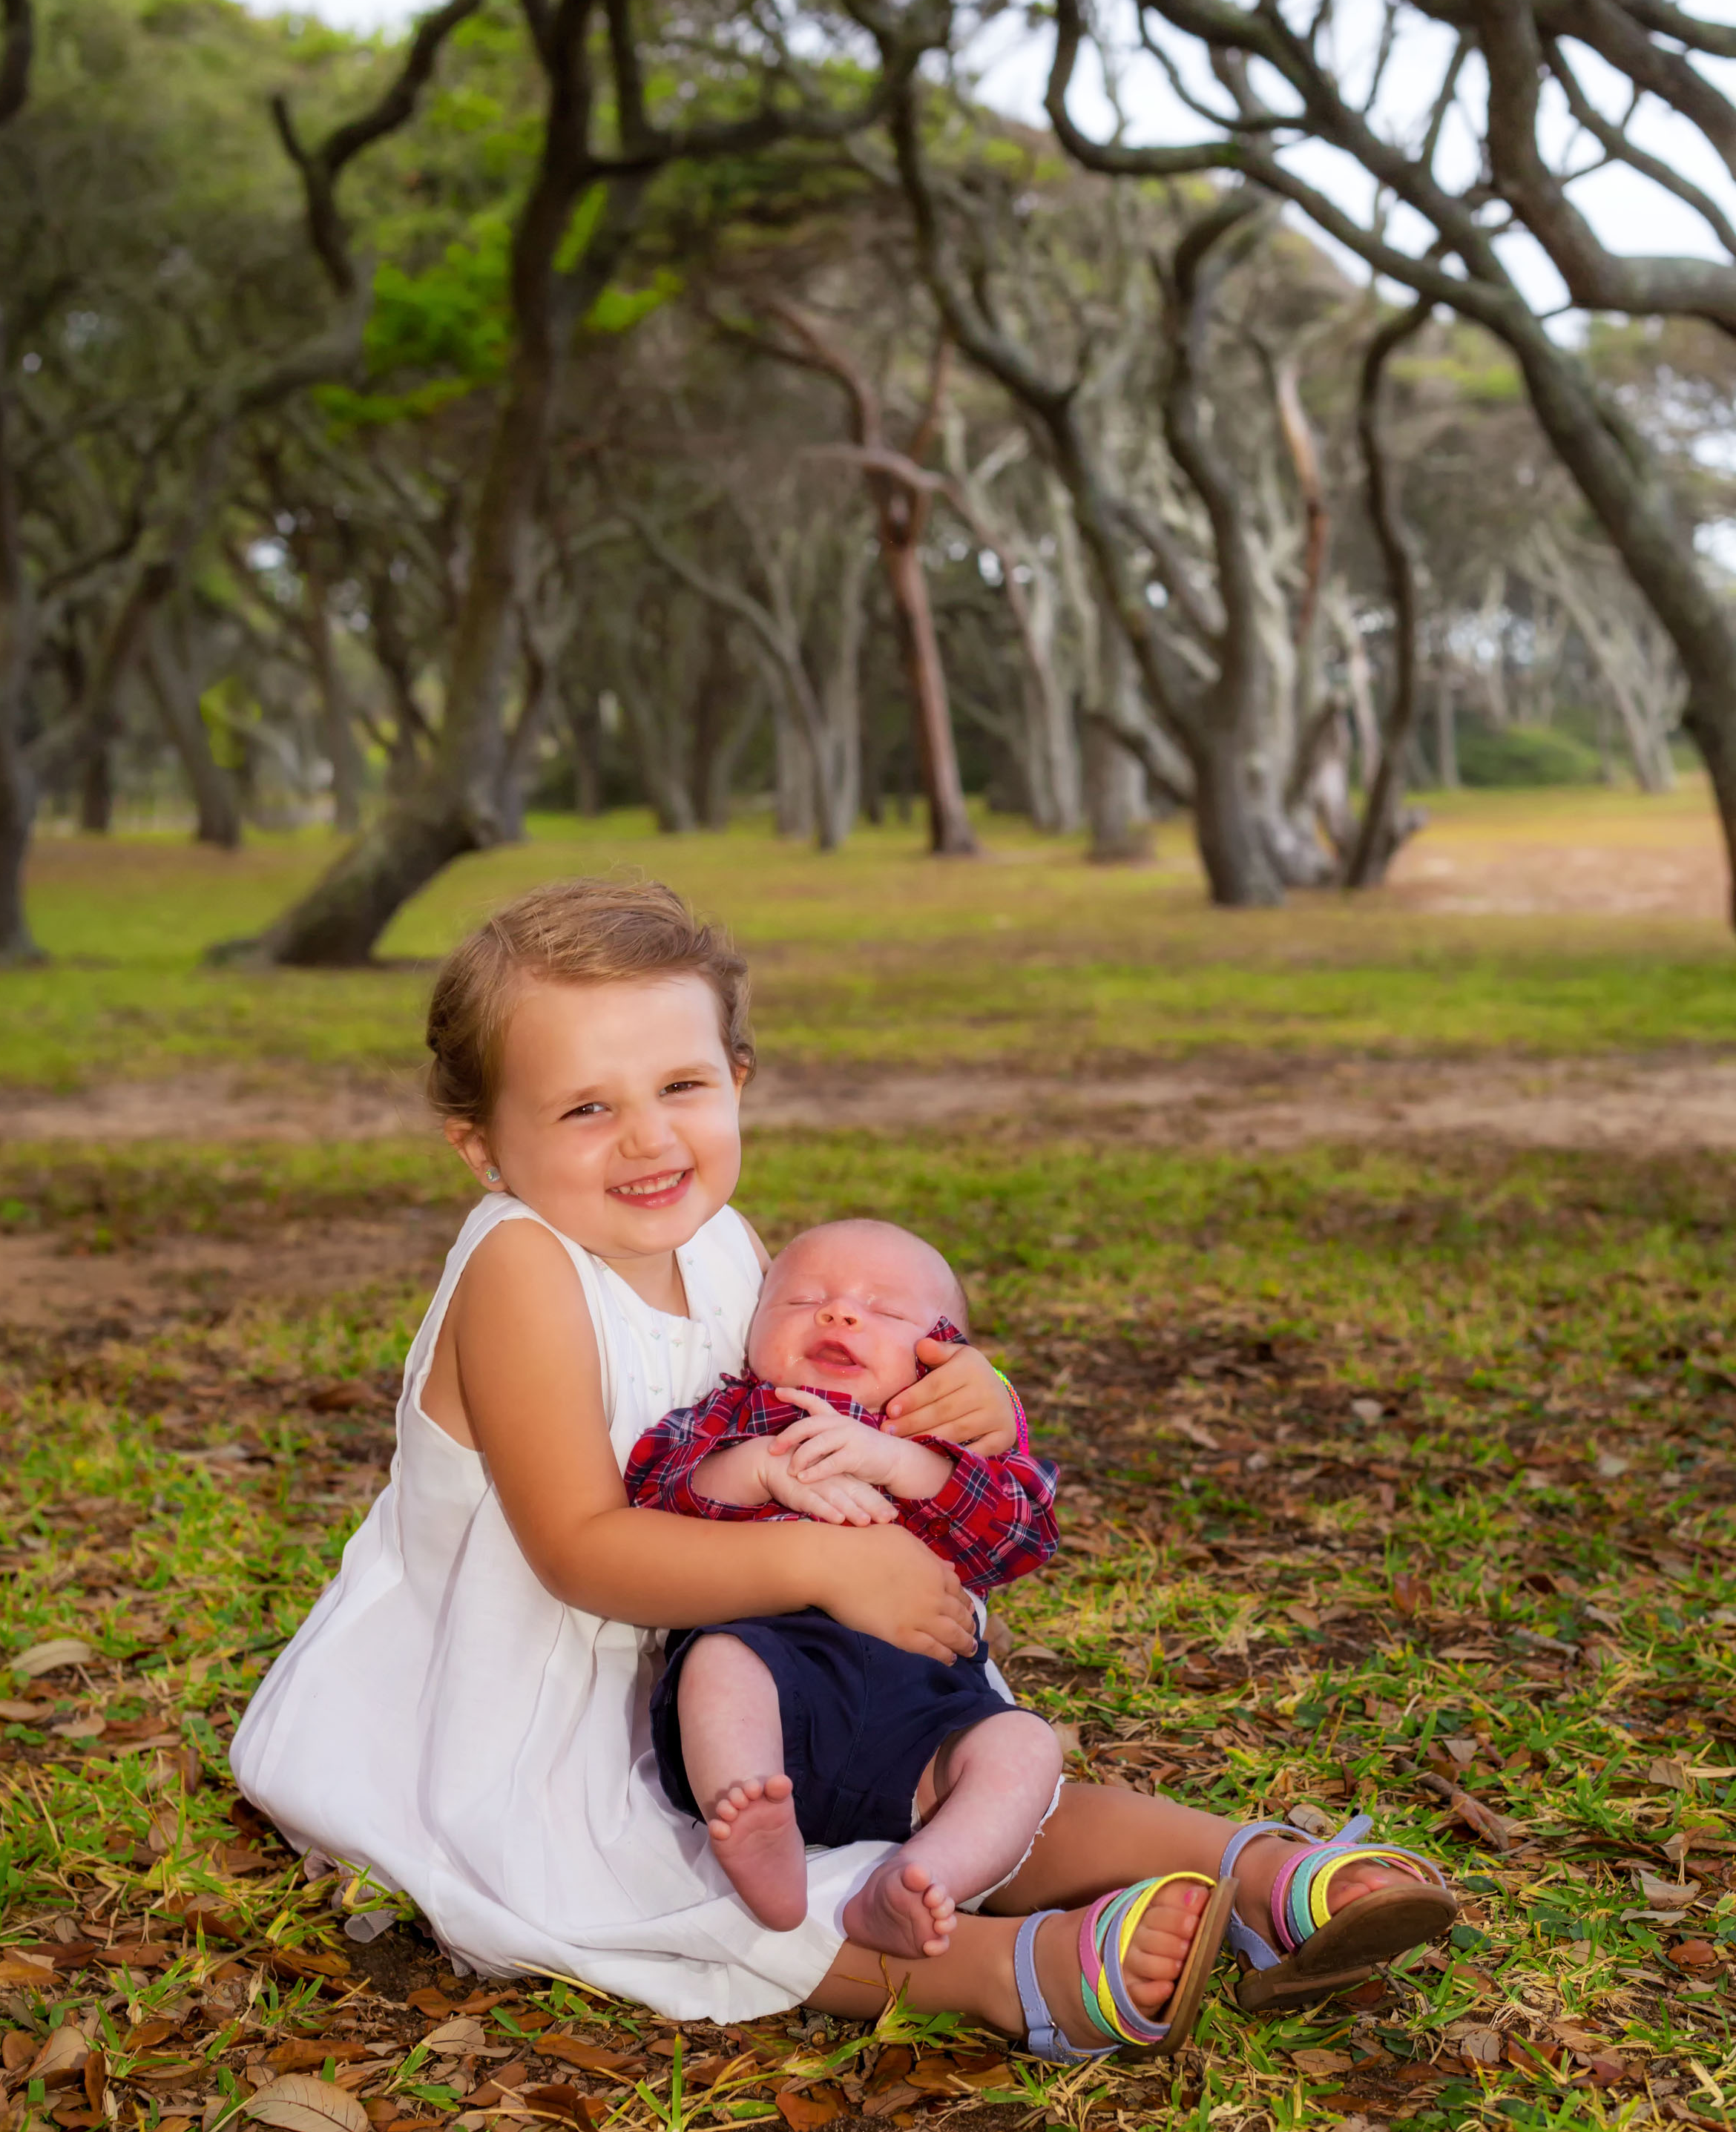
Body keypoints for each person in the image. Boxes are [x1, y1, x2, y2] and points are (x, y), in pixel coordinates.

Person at [230, 878, 1461, 2064]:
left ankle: (1261, 1873)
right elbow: (578, 1550)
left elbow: (825, 1393)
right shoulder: (522, 1268)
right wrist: (827, 1557)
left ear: (739, 1080)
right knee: (659, 1874)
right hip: (521, 1703)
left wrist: (974, 1400)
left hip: (755, 1656)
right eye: (584, 1109)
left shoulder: (721, 1244)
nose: (650, 1139)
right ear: (483, 1148)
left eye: (681, 1086)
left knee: (959, 1777)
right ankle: (1004, 1974)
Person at [626, 1217, 1065, 1961]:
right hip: (772, 1665)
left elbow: (1024, 1535)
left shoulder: (943, 1443)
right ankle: (756, 1821)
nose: (839, 1314)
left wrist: (904, 1465)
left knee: (1025, 1747)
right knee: (717, 1667)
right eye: (801, 1302)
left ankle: (919, 1877)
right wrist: (755, 1467)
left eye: (885, 1311)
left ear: (944, 1359)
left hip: (926, 1710)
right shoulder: (739, 1415)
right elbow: (654, 1496)